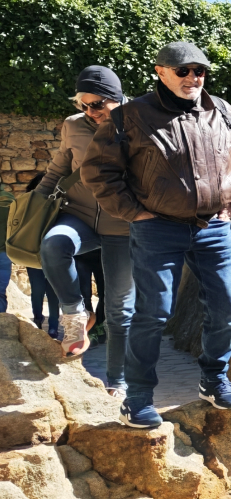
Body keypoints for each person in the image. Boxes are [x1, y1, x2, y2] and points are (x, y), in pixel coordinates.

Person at [84, 41, 231, 429]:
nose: (193, 77)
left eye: (199, 71)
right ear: (161, 72)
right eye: (183, 70)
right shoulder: (130, 116)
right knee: (153, 312)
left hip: (213, 227)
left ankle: (213, 378)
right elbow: (98, 171)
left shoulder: (223, 112)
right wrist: (136, 213)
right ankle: (137, 399)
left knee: (225, 306)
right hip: (157, 229)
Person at [39, 65, 134, 381]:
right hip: (78, 215)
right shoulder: (73, 126)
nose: (91, 112)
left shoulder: (141, 123)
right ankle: (75, 313)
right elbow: (57, 170)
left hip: (122, 225)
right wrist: (34, 206)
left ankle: (118, 381)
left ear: (116, 97)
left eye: (98, 104)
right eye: (84, 105)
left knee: (119, 309)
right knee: (53, 245)